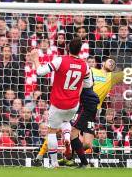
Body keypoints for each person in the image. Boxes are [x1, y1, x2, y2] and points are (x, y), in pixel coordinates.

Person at [29, 37, 92, 168]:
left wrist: (35, 58)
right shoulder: (85, 65)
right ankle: (67, 137)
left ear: (68, 48)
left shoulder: (60, 60)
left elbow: (40, 72)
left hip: (58, 104)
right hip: (73, 105)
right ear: (80, 50)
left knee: (51, 131)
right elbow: (88, 85)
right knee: (65, 122)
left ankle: (54, 163)